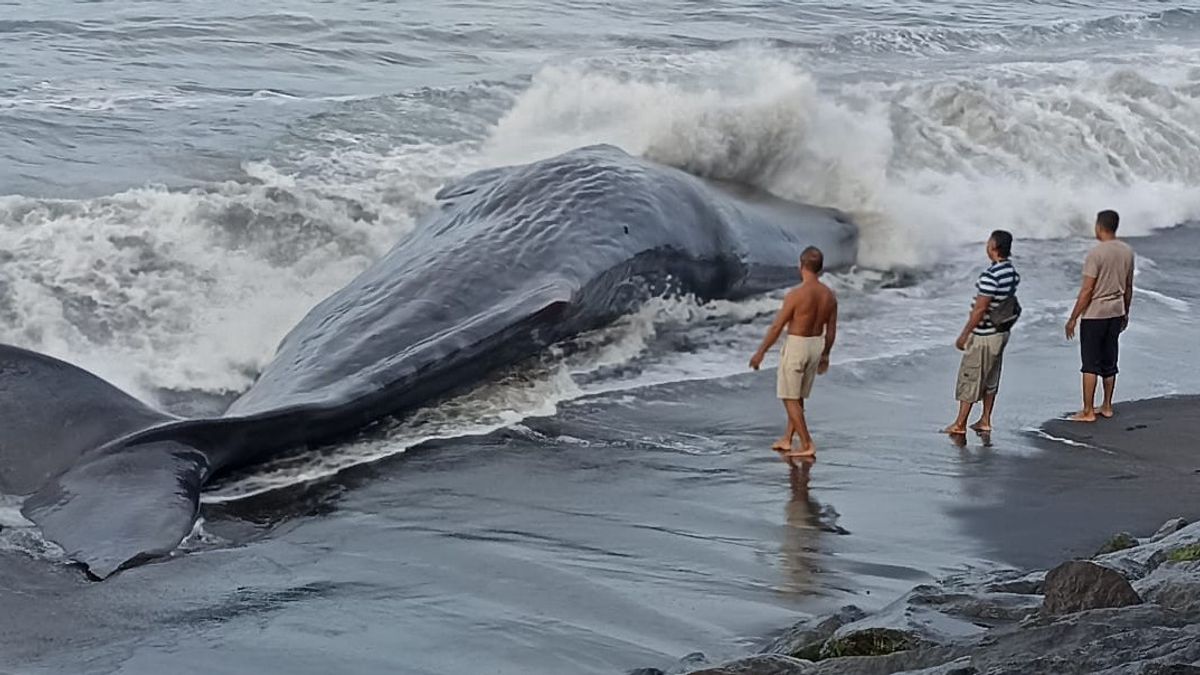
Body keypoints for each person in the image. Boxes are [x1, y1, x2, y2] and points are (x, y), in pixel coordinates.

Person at [749, 246, 838, 462]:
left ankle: (807, 443)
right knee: (797, 395)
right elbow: (832, 330)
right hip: (816, 344)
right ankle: (788, 438)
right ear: (820, 268)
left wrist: (760, 352)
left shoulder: (796, 295)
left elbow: (777, 327)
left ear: (801, 266)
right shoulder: (829, 295)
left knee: (789, 397)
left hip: (797, 345)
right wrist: (826, 354)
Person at [943, 230, 1020, 435]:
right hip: (1001, 332)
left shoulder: (991, 276)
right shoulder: (1011, 272)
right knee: (991, 377)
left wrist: (965, 334)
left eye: (988, 242)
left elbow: (980, 309)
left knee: (972, 375)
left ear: (994, 246)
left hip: (985, 334)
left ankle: (960, 424)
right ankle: (985, 419)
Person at [1065, 209, 1135, 422]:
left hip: (1095, 314)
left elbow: (1087, 290)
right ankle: (1106, 406)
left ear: (1099, 226)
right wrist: (1126, 311)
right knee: (1109, 360)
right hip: (1116, 311)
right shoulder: (1127, 251)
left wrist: (1073, 317)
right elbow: (1129, 286)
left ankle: (1087, 411)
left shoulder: (1096, 254)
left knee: (1090, 363)